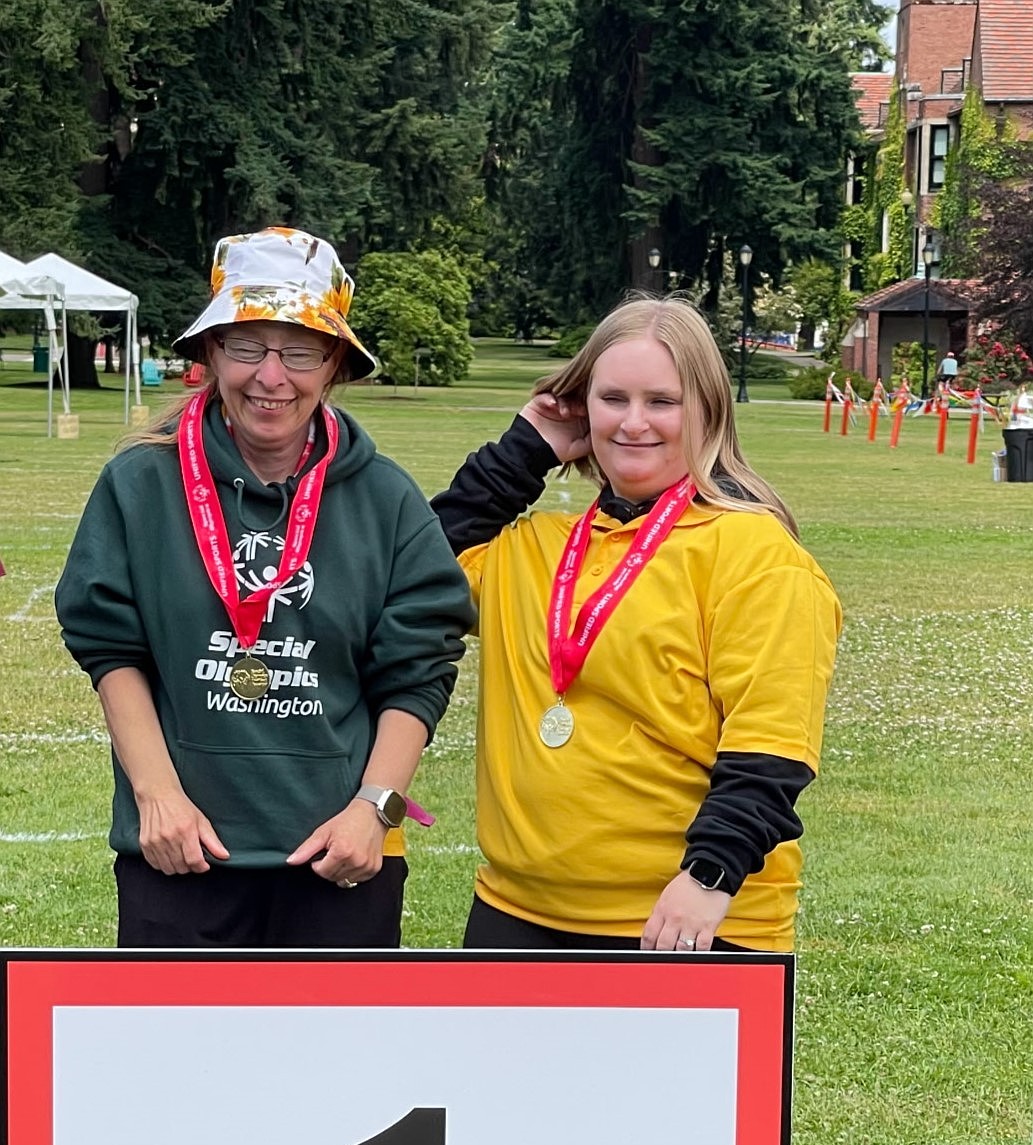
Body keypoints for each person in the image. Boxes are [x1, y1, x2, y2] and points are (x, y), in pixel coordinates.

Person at [56, 226, 474, 949]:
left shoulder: (386, 498)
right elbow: (108, 645)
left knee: (336, 1065)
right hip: (178, 855)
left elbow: (418, 671)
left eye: (300, 350)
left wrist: (373, 810)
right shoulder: (140, 483)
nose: (270, 375)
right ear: (212, 351)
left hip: (337, 863)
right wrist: (158, 797)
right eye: (246, 345)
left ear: (335, 361)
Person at [431, 295, 842, 954]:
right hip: (515, 911)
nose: (632, 423)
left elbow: (770, 743)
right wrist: (522, 451)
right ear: (579, 406)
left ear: (707, 410)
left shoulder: (756, 555)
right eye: (611, 398)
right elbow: (413, 573)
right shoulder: (534, 546)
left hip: (684, 920)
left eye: (661, 401)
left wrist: (708, 877)